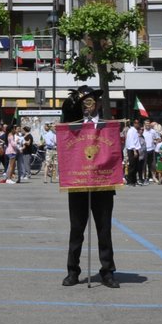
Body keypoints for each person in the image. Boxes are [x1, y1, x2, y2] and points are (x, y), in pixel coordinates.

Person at [59, 88, 120, 287]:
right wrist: (77, 97)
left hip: (102, 184)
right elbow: (66, 108)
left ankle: (107, 271)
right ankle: (73, 271)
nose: (88, 106)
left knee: (104, 230)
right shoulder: (73, 125)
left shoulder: (107, 126)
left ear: (99, 105)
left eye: (92, 102)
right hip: (78, 183)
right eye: (85, 102)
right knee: (76, 229)